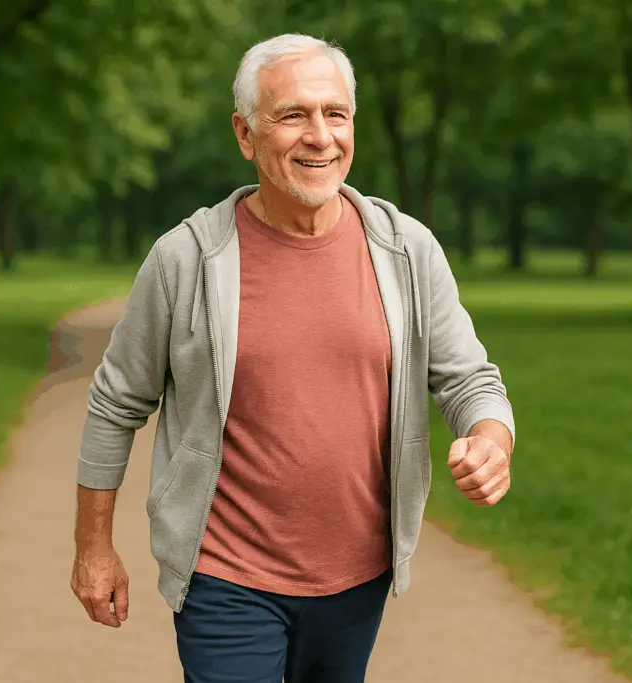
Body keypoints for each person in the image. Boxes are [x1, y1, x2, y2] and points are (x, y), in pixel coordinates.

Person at [69, 33, 516, 683]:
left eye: (335, 114)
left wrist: (491, 440)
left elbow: (469, 378)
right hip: (224, 576)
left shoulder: (407, 251)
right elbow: (115, 403)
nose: (320, 136)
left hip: (357, 577)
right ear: (245, 134)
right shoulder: (185, 259)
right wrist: (93, 548)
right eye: (292, 116)